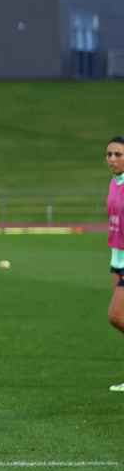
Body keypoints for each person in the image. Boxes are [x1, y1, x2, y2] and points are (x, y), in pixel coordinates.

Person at [105, 136, 124, 393]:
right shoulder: (114, 182)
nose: (112, 159)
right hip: (118, 258)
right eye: (109, 154)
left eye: (118, 154)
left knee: (116, 316)